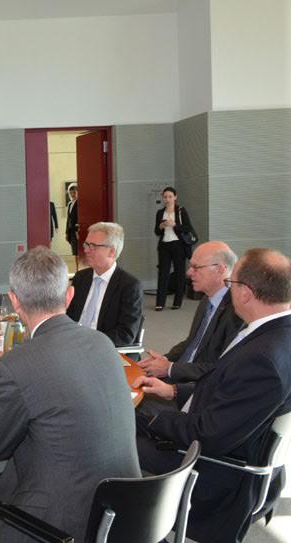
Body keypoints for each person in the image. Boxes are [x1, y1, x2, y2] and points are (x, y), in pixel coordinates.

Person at [0, 247, 140, 542]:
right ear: (69, 295)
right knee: (4, 479)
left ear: (14, 301)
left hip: (61, 527)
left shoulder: (16, 364)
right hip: (127, 511)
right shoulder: (102, 343)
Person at [134, 248, 291, 543]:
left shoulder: (262, 359)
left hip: (216, 471)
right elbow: (229, 392)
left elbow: (209, 435)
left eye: (231, 283)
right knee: (132, 416)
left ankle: (137, 526)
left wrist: (156, 420)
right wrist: (175, 390)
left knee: (119, 440)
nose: (229, 291)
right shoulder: (274, 336)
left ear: (246, 293)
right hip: (222, 438)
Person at [138, 241, 241, 384]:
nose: (189, 272)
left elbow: (221, 368)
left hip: (197, 386)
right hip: (181, 373)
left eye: (196, 267)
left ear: (220, 269)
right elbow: (192, 342)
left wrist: (170, 369)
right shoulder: (207, 299)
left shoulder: (237, 312)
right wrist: (165, 359)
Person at [66, 221, 143, 347]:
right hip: (73, 343)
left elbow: (125, 334)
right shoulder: (81, 278)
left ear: (112, 251)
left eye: (93, 246)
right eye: (86, 244)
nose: (86, 250)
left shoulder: (129, 286)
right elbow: (69, 316)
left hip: (100, 347)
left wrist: (87, 341)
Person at [154, 186, 194, 311]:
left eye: (170, 197)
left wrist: (175, 225)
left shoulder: (181, 211)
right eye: (165, 197)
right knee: (163, 274)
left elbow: (188, 228)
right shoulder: (160, 213)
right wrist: (161, 226)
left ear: (175, 197)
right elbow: (156, 232)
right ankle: (160, 303)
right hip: (164, 245)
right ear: (163, 198)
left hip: (178, 245)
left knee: (179, 273)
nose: (167, 199)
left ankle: (177, 302)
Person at [65, 182, 79, 270]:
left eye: (74, 192)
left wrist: (77, 230)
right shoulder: (70, 203)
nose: (72, 194)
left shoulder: (80, 203)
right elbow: (68, 219)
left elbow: (79, 217)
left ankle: (79, 270)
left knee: (78, 252)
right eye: (71, 193)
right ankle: (77, 270)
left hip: (77, 232)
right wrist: (66, 232)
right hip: (71, 231)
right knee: (75, 252)